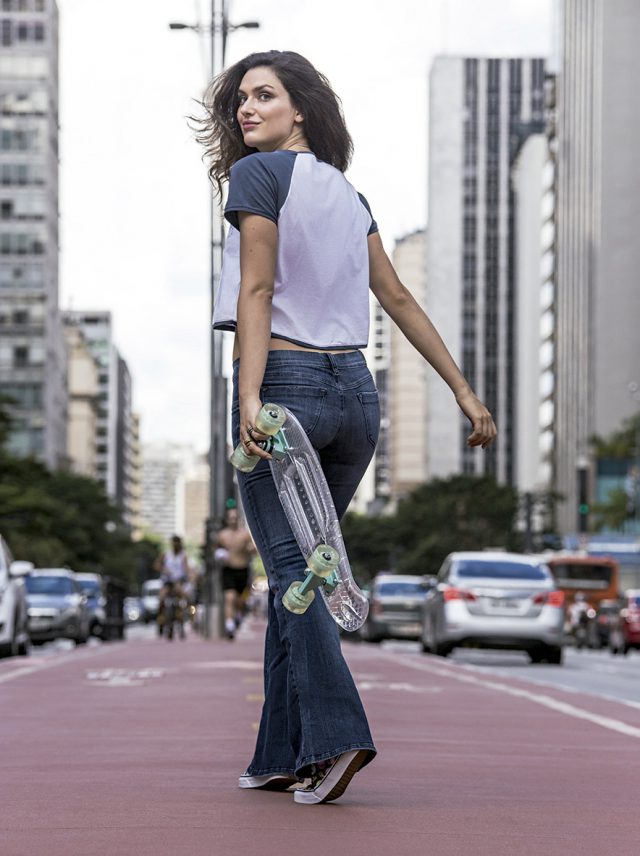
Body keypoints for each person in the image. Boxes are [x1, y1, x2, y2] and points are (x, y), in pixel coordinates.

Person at [196, 50, 496, 805]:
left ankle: (338, 739)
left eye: (264, 95)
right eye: (240, 99)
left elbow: (258, 286)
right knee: (298, 571)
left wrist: (249, 398)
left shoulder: (258, 177)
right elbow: (395, 297)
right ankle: (280, 751)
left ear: (301, 110)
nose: (246, 108)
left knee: (297, 574)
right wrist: (464, 391)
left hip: (288, 390)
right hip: (356, 396)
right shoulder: (349, 195)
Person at [215, 506, 256, 638]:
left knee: (240, 601)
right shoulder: (222, 536)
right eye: (230, 518)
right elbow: (214, 550)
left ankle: (237, 616)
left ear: (238, 519)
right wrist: (219, 554)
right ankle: (229, 625)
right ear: (227, 520)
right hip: (228, 570)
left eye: (235, 518)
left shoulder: (244, 534)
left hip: (243, 570)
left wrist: (249, 550)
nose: (233, 520)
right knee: (229, 598)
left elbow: (253, 550)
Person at [156, 535, 190, 636]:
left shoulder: (183, 555)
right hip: (167, 581)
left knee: (184, 597)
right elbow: (157, 564)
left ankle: (183, 618)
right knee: (161, 598)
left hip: (178, 581)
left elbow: (186, 568)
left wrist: (190, 576)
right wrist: (164, 570)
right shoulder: (166, 554)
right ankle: (160, 620)